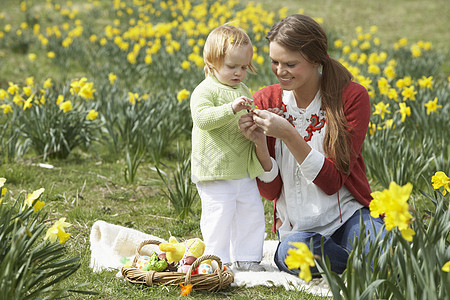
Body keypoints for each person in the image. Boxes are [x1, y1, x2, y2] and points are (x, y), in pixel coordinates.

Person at [238, 14, 386, 276]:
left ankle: (353, 263)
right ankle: (361, 267)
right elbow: (271, 192)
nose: (280, 71)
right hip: (299, 232)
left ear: (316, 60)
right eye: (274, 62)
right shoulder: (266, 99)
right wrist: (261, 143)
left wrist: (289, 135)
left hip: (348, 218)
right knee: (292, 252)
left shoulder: (350, 98)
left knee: (385, 251)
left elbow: (332, 183)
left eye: (290, 64)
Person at [190, 24, 267, 272]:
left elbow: (247, 119)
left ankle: (247, 257)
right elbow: (202, 119)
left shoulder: (242, 89)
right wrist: (230, 109)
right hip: (215, 169)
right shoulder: (205, 90)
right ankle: (216, 260)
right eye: (231, 67)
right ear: (211, 63)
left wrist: (259, 116)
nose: (238, 73)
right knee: (218, 216)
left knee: (251, 212)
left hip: (242, 167)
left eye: (243, 67)